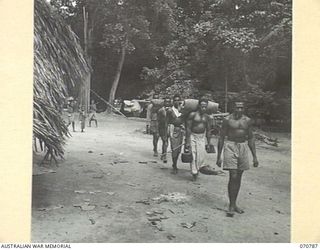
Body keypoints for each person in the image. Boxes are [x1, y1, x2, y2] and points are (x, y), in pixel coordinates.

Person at [216, 101, 259, 217]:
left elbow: (250, 138)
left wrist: (255, 156)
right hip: (230, 145)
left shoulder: (247, 120)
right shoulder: (227, 120)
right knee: (233, 175)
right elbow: (221, 137)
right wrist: (218, 156)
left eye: (241, 108)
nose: (239, 110)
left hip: (243, 146)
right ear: (233, 108)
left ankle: (234, 204)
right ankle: (231, 205)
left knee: (239, 176)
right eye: (237, 108)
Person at [185, 97, 214, 180]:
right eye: (202, 106)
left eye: (205, 106)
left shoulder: (207, 117)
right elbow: (188, 128)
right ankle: (194, 172)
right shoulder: (193, 115)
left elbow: (208, 130)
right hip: (193, 136)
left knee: (201, 155)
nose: (203, 108)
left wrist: (208, 142)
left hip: (201, 137)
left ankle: (197, 169)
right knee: (193, 154)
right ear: (199, 106)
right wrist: (187, 141)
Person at [166, 94, 184, 174]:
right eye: (175, 100)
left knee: (179, 149)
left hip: (181, 130)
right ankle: (174, 165)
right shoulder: (170, 110)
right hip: (173, 130)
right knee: (174, 148)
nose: (177, 102)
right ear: (173, 101)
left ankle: (175, 162)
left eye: (178, 100)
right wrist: (167, 132)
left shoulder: (182, 110)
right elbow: (167, 121)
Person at [157, 97, 172, 163]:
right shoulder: (161, 110)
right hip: (163, 127)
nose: (167, 103)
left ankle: (163, 153)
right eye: (166, 102)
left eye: (169, 102)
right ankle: (164, 155)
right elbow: (158, 120)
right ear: (164, 102)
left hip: (170, 127)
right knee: (165, 141)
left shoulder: (172, 110)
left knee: (166, 142)